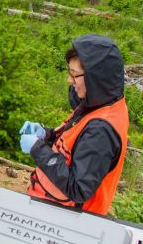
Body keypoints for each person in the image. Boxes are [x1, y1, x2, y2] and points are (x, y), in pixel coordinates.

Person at [20, 34, 128, 215]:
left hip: (68, 221)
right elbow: (75, 141)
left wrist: (38, 149)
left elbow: (78, 188)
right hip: (51, 207)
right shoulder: (97, 101)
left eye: (74, 74)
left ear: (95, 78)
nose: (69, 80)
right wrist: (46, 135)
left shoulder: (101, 130)